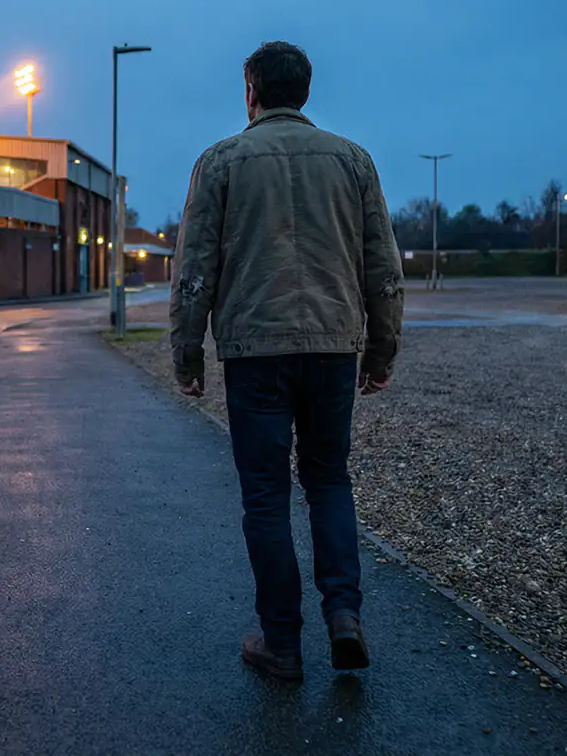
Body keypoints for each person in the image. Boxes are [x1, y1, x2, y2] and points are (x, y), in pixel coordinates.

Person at [169, 40, 404, 681]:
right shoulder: (353, 161)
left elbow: (195, 270)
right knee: (329, 481)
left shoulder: (220, 162)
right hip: (332, 349)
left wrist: (187, 354)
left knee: (266, 498)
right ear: (305, 91)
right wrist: (381, 348)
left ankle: (282, 641)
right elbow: (382, 267)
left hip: (254, 352)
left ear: (251, 90)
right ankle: (344, 616)